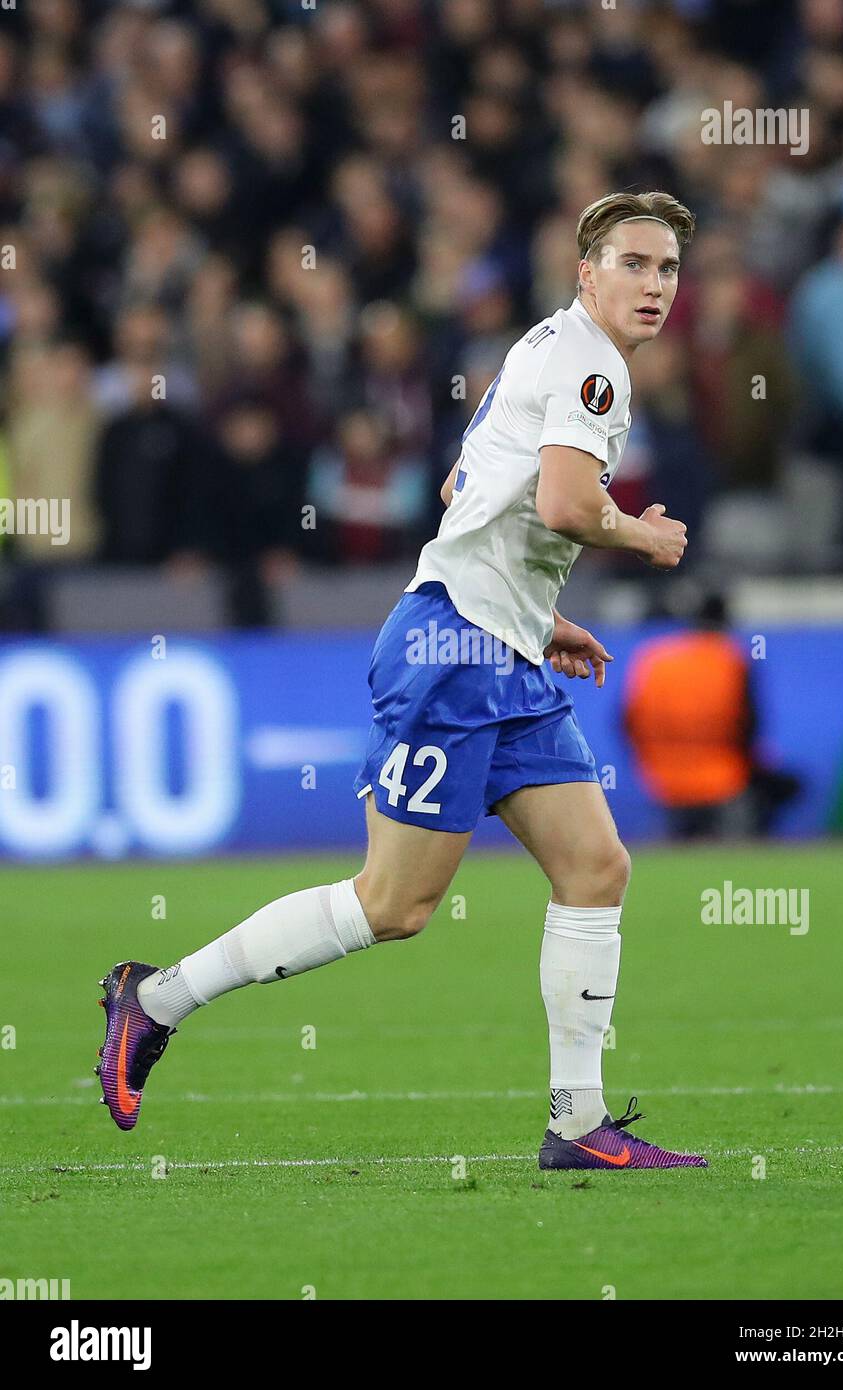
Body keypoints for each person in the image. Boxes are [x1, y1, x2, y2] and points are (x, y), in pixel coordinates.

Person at [95, 191, 707, 1172]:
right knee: (394, 906)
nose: (653, 284)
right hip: (452, 654)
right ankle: (153, 998)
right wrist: (643, 532)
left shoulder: (541, 347)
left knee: (595, 867)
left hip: (495, 646)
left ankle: (576, 1122)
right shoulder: (588, 364)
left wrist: (537, 619)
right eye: (632, 263)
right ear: (584, 272)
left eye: (667, 268)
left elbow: (463, 494)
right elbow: (560, 501)